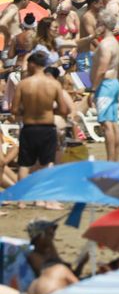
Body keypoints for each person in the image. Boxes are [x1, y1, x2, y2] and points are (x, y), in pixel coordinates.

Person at [14, 53, 69, 202]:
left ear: (31, 65)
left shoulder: (23, 84)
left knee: (25, 165)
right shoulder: (54, 84)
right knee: (47, 164)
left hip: (29, 126)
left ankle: (22, 201)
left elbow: (14, 110)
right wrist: (48, 111)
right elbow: (64, 110)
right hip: (47, 126)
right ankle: (46, 197)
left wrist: (28, 111)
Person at [89, 10, 119, 161]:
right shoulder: (115, 43)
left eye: (98, 24)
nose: (96, 26)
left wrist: (93, 89)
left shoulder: (105, 44)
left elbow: (102, 69)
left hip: (105, 85)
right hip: (113, 83)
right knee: (113, 122)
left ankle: (111, 159)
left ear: (103, 26)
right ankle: (113, 158)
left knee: (106, 123)